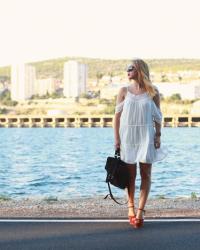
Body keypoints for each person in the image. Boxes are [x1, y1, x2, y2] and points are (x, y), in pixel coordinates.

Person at [113, 58, 167, 229]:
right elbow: (117, 117)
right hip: (128, 137)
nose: (127, 71)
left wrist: (158, 135)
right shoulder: (123, 91)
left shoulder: (153, 92)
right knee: (130, 176)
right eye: (127, 68)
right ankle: (130, 207)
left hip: (146, 137)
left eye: (131, 68)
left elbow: (158, 116)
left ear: (139, 70)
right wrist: (117, 139)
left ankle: (141, 211)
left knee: (146, 175)